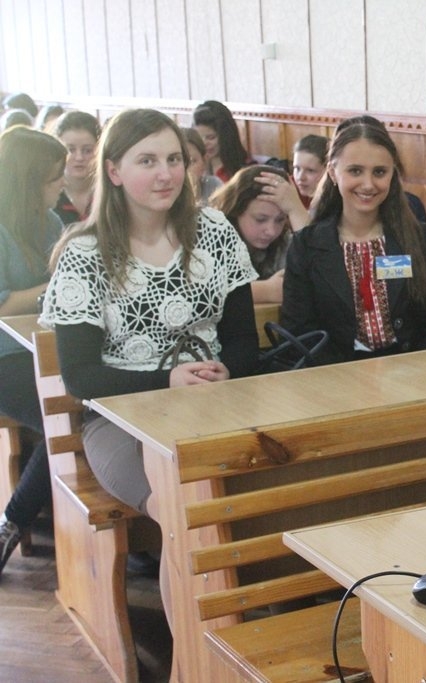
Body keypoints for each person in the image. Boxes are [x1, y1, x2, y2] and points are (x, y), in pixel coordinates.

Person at [39, 109, 258, 614]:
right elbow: (80, 377)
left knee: (266, 493)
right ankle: (197, 647)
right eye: (148, 161)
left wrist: (228, 371)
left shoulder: (214, 230)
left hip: (214, 404)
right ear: (114, 171)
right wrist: (168, 380)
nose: (166, 174)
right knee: (184, 512)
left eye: (174, 159)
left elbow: (244, 342)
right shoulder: (85, 253)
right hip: (121, 420)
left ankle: (260, 613)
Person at [280, 120, 426, 364]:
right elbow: (299, 335)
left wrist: (413, 369)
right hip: (336, 375)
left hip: (409, 372)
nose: (368, 184)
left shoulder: (416, 238)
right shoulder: (306, 246)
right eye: (355, 171)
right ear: (333, 172)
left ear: (392, 174)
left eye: (379, 172)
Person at [0, 127, 68, 577]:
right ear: (28, 182)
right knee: (60, 419)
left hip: (42, 346)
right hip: (4, 356)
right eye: (54, 177)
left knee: (85, 405)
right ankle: (12, 522)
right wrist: (52, 286)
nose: (62, 185)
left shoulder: (51, 221)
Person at [210, 165, 292, 303]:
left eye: (280, 220)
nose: (271, 231)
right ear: (236, 211)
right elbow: (199, 294)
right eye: (260, 219)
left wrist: (297, 209)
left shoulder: (285, 242)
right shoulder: (210, 238)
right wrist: (266, 290)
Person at [52, 111, 102, 226]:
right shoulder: (48, 195)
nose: (79, 157)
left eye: (87, 150)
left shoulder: (111, 194)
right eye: (70, 150)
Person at [191, 99, 252, 184]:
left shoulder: (245, 170)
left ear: (226, 136)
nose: (204, 143)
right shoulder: (192, 166)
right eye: (199, 137)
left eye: (211, 137)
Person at [183, 126, 223, 206]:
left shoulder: (214, 186)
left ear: (204, 161)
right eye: (178, 161)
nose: (186, 169)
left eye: (192, 161)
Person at [291, 133, 328, 208]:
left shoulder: (337, 198)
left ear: (328, 170)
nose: (300, 177)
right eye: (297, 168)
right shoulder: (288, 186)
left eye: (310, 171)